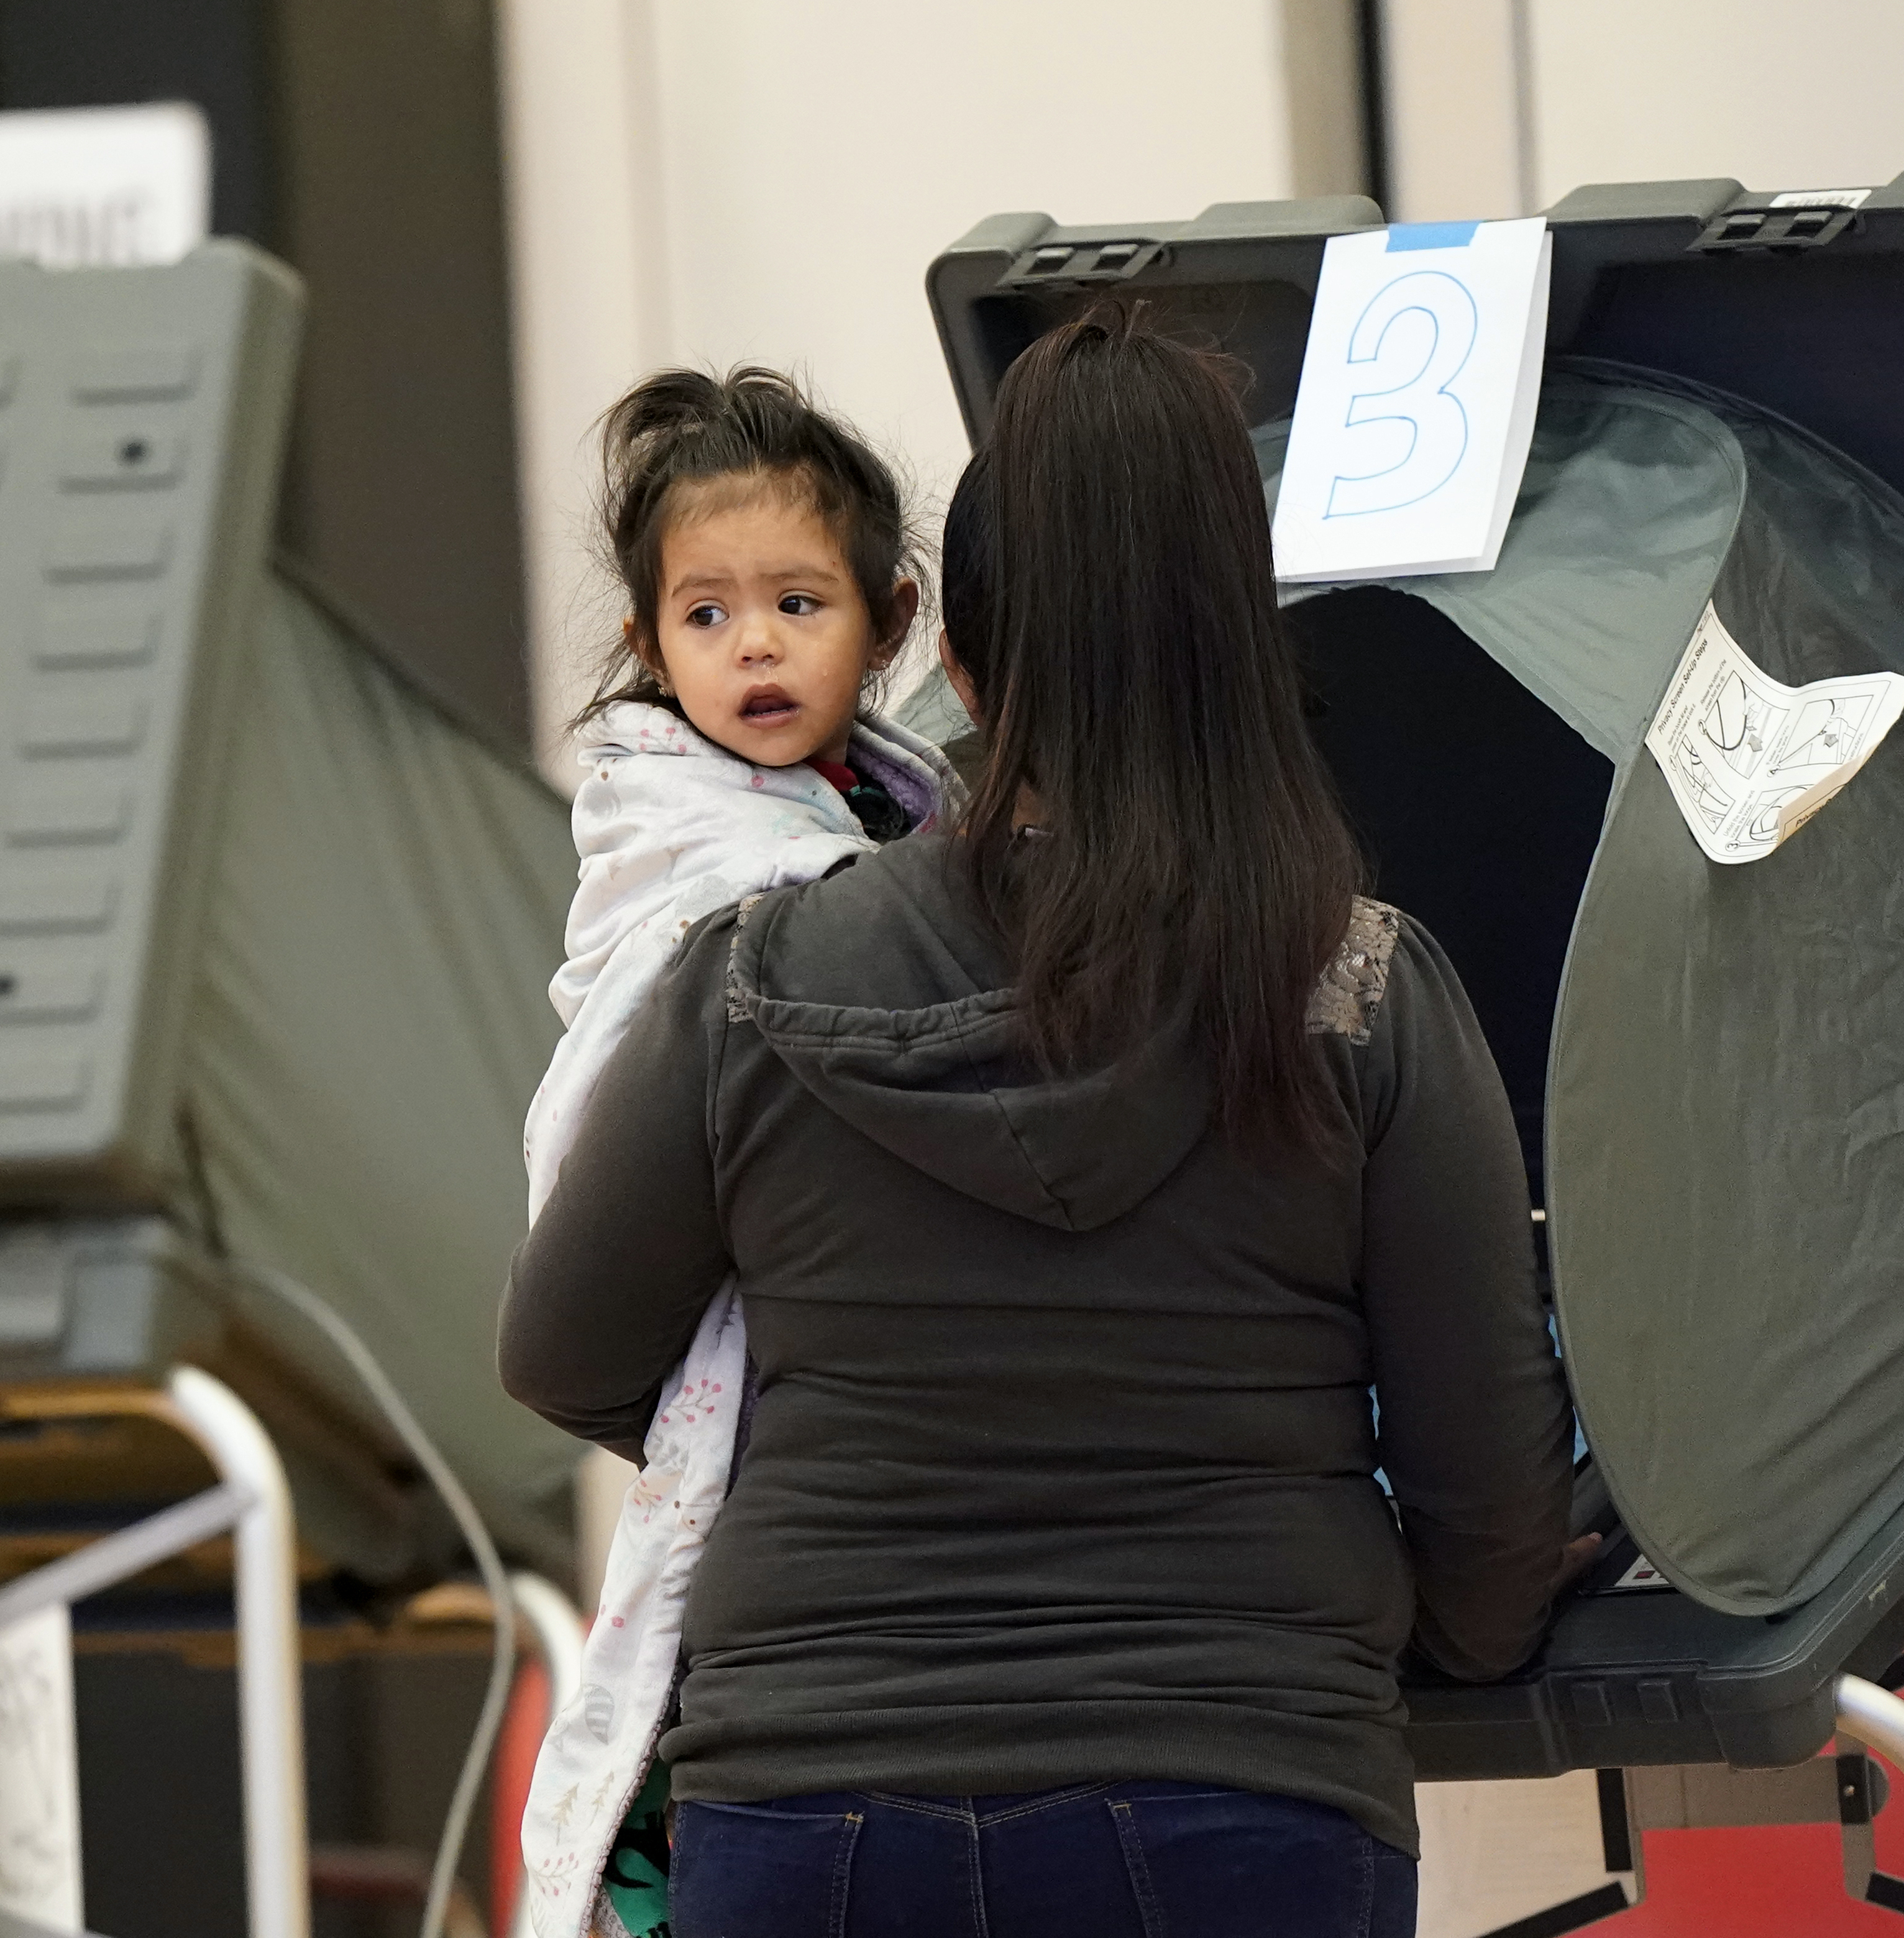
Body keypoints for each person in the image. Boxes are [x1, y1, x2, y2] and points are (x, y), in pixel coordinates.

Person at [500, 308, 1581, 1938]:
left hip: (804, 1809)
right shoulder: (1356, 989)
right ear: (1244, 643)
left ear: (943, 659)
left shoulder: (750, 978)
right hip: (1246, 1797)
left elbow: (565, 1352)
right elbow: (1491, 1528)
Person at [513, 367, 958, 1938]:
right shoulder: (704, 852)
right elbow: (602, 1096)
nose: (752, 644)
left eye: (795, 600)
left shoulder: (891, 820)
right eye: (704, 616)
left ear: (889, 621)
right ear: (648, 645)